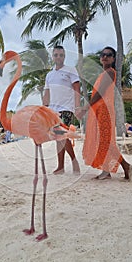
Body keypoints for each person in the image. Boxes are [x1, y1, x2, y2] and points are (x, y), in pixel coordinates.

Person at [75, 46, 132, 180]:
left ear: (113, 59)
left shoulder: (110, 72)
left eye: (109, 55)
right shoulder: (103, 74)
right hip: (99, 111)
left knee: (107, 141)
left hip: (105, 111)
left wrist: (85, 108)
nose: (105, 57)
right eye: (103, 54)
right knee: (102, 141)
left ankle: (126, 166)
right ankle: (106, 171)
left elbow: (100, 93)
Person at [43, 45, 81, 175]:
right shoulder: (49, 75)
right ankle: (61, 167)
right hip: (53, 110)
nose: (58, 57)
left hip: (66, 108)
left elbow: (77, 88)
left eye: (61, 55)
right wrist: (44, 109)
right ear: (53, 57)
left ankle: (73, 162)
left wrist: (77, 107)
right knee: (58, 138)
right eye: (56, 55)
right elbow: (47, 93)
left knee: (61, 136)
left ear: (64, 56)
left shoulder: (71, 70)